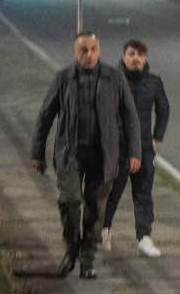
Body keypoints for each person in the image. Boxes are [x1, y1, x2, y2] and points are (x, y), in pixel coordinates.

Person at [30, 32, 141, 280]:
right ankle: (71, 249)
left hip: (103, 156)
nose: (88, 54)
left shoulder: (115, 79)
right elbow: (45, 115)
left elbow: (130, 116)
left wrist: (134, 152)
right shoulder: (63, 79)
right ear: (75, 52)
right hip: (70, 152)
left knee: (95, 209)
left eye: (92, 49)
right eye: (83, 50)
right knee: (69, 200)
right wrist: (37, 151)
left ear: (99, 51)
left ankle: (87, 259)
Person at [102, 39, 170, 258]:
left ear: (145, 58)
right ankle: (104, 230)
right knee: (112, 192)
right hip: (118, 148)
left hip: (143, 149)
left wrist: (156, 137)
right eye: (131, 54)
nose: (136, 58)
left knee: (143, 194)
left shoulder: (153, 82)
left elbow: (164, 109)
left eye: (140, 55)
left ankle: (144, 238)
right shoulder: (112, 80)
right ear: (124, 56)